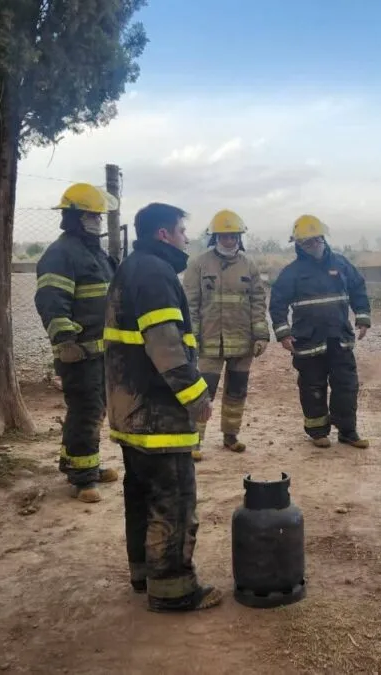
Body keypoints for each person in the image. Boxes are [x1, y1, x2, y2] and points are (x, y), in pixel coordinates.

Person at [104, 202, 221, 612]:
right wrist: (196, 395)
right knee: (172, 502)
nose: (187, 238)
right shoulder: (155, 273)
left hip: (130, 411)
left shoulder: (134, 267)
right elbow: (166, 344)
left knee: (140, 497)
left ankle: (143, 574)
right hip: (157, 415)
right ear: (163, 234)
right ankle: (173, 589)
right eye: (182, 230)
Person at [34, 182, 119, 503]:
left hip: (101, 352)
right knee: (85, 412)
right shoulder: (60, 254)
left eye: (98, 215)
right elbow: (51, 300)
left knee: (94, 412)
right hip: (78, 354)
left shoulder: (96, 253)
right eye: (89, 215)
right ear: (72, 217)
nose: (96, 221)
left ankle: (81, 464)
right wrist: (65, 341)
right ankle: (83, 479)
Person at [268, 215, 372, 449]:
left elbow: (358, 289)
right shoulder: (292, 272)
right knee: (312, 387)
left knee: (346, 386)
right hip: (307, 341)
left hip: (339, 339)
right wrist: (283, 333)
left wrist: (363, 317)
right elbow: (277, 304)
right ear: (298, 245)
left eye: (316, 240)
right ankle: (317, 432)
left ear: (323, 239)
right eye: (307, 242)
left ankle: (348, 431)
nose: (313, 245)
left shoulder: (342, 264)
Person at [182, 209, 270, 461]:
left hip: (242, 344)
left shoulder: (248, 265)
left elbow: (257, 301)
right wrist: (191, 337)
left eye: (234, 236)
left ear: (239, 237)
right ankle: (194, 441)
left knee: (236, 392)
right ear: (215, 237)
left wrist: (261, 335)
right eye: (224, 236)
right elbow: (190, 304)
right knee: (203, 392)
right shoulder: (199, 264)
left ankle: (231, 436)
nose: (229, 240)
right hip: (209, 343)